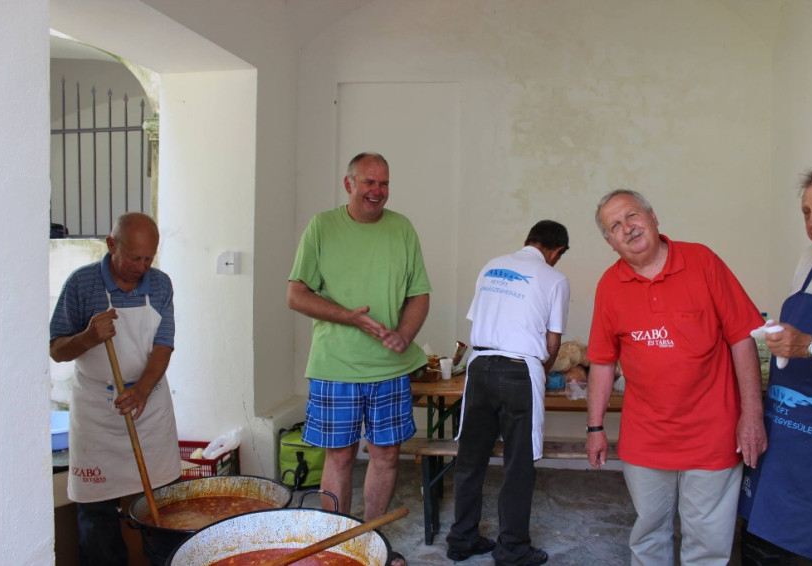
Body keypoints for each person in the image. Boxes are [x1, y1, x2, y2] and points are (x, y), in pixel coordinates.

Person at [586, 189, 767, 565]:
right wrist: (595, 427)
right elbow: (603, 362)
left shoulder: (702, 261)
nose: (628, 228)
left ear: (653, 217)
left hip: (714, 433)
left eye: (632, 216)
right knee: (648, 537)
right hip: (646, 438)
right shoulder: (609, 285)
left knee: (708, 544)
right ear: (610, 242)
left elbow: (741, 338)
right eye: (615, 226)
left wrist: (752, 415)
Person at [286, 152, 431, 566]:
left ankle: (371, 545)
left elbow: (419, 294)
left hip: (390, 368)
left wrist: (405, 334)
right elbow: (296, 295)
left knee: (386, 456)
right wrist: (348, 317)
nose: (377, 191)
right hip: (336, 366)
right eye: (369, 182)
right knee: (340, 456)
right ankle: (337, 549)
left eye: (383, 183)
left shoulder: (402, 228)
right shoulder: (322, 227)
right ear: (349, 184)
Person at [50, 212, 179, 566]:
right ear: (111, 245)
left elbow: (164, 345)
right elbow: (57, 349)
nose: (142, 267)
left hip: (148, 407)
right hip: (97, 413)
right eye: (134, 258)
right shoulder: (81, 284)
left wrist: (142, 391)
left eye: (149, 258)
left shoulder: (160, 285)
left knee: (164, 505)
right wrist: (88, 337)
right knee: (96, 515)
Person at [446, 220, 570, 566]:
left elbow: (479, 321)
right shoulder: (555, 279)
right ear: (557, 250)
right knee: (519, 464)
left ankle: (462, 539)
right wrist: (541, 375)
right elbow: (553, 343)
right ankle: (512, 549)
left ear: (529, 240)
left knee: (470, 459)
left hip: (479, 366)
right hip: (519, 369)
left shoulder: (491, 266)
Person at [739, 167, 812, 565]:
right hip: (782, 433)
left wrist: (808, 345)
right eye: (806, 212)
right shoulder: (811, 257)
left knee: (806, 547)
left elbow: (810, 342)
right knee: (758, 541)